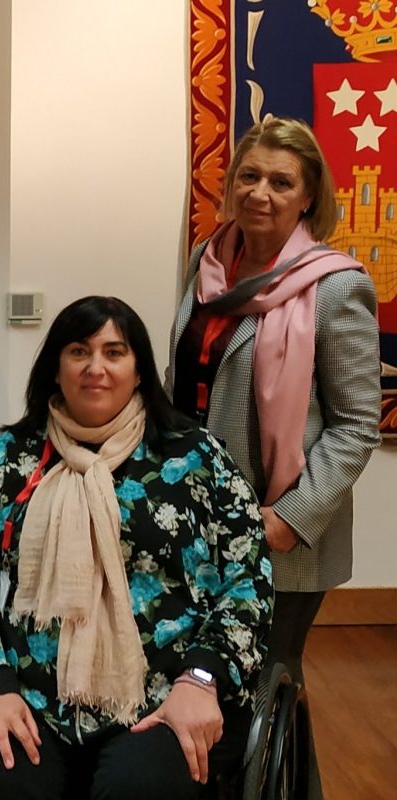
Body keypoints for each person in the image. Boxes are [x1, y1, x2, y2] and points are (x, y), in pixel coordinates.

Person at [0, 296, 272, 800]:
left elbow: (248, 580)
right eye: (79, 351)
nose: (96, 367)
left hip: (164, 697)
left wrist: (201, 679)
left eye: (114, 352)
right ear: (56, 367)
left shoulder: (195, 457)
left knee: (140, 789)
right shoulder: (11, 459)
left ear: (139, 371)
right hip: (31, 698)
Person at [166, 117, 380, 797]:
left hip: (279, 535)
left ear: (308, 197)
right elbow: (188, 383)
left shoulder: (337, 288)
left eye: (281, 181)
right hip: (196, 521)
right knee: (208, 689)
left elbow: (354, 427)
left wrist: (286, 518)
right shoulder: (210, 259)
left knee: (266, 693)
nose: (260, 192)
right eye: (248, 176)